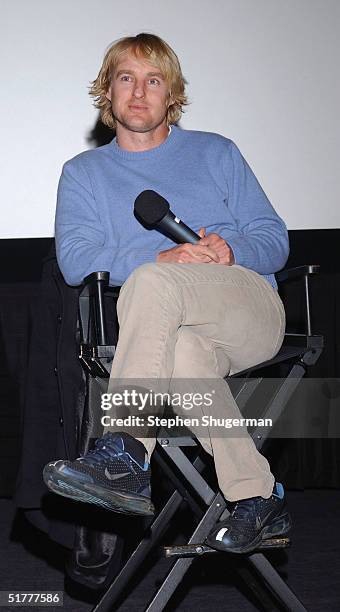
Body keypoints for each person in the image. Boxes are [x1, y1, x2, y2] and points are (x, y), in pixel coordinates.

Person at [43, 33, 291, 554]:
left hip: (243, 307)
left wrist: (231, 250)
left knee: (153, 281)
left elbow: (274, 241)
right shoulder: (83, 174)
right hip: (165, 330)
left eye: (153, 80)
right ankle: (258, 496)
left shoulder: (216, 152)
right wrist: (159, 259)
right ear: (107, 93)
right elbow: (76, 261)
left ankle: (128, 449)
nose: (139, 92)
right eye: (126, 79)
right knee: (177, 348)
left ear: (171, 95)